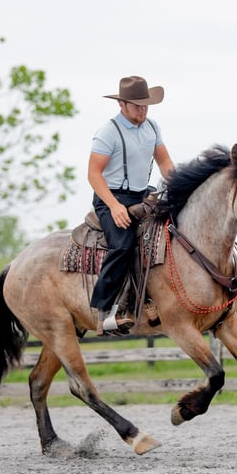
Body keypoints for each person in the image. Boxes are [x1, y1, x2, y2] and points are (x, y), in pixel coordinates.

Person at [88, 75, 174, 335]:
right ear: (122, 105)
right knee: (123, 246)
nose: (143, 110)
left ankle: (152, 299)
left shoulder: (153, 127)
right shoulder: (108, 133)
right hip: (111, 197)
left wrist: (178, 185)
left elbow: (165, 162)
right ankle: (104, 312)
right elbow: (94, 175)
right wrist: (114, 207)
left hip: (143, 195)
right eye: (137, 105)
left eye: (145, 104)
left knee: (172, 234)